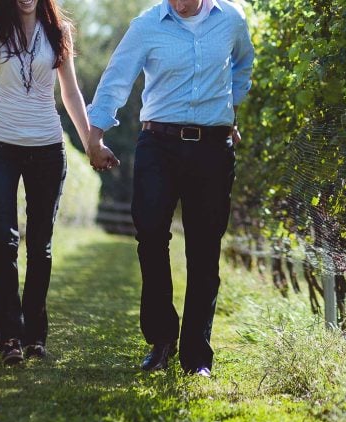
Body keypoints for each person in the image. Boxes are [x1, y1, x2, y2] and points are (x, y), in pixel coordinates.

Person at [85, 0, 254, 377]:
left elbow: (244, 64)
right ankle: (162, 341)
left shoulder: (231, 20)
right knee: (149, 234)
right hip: (158, 143)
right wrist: (96, 136)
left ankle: (196, 356)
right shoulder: (147, 25)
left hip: (212, 147)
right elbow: (117, 77)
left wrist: (230, 108)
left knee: (205, 248)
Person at [0, 0, 119, 365]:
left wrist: (90, 143)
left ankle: (34, 335)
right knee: (4, 242)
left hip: (47, 147)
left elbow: (70, 94)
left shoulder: (58, 33)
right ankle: (9, 339)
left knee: (40, 246)